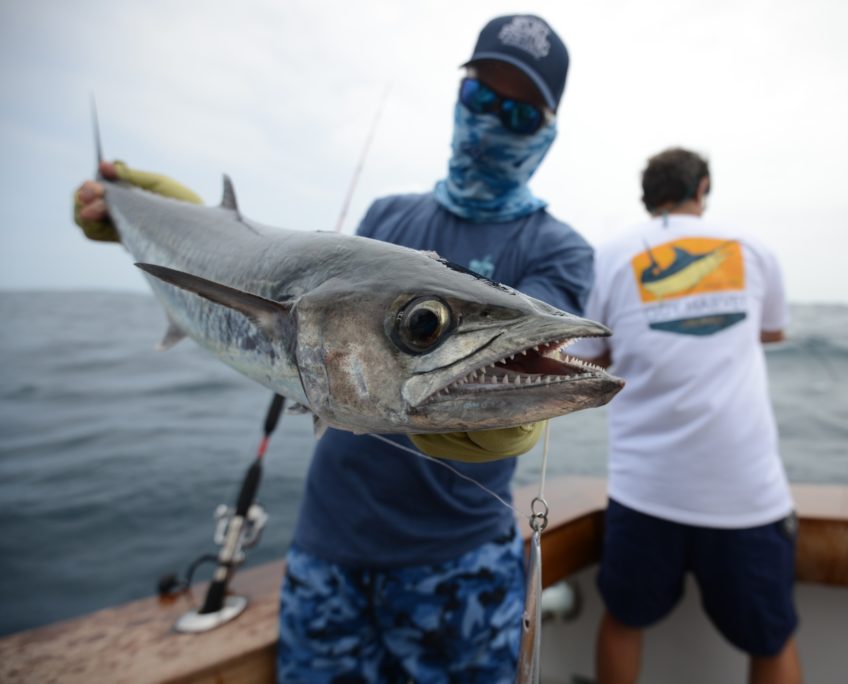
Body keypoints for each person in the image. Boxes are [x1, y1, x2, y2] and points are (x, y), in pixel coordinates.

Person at [73, 14, 591, 683]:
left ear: (548, 130)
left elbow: (527, 360)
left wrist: (511, 420)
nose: (493, 120)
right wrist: (159, 215)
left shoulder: (558, 249)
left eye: (519, 112)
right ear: (457, 97)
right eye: (480, 98)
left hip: (461, 563)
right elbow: (274, 271)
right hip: (328, 547)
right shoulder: (388, 215)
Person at [571, 147, 802, 684]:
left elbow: (589, 355)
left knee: (624, 622)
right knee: (772, 640)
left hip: (645, 490)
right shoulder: (753, 248)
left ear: (648, 197)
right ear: (702, 188)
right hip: (747, 495)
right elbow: (772, 330)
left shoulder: (609, 255)